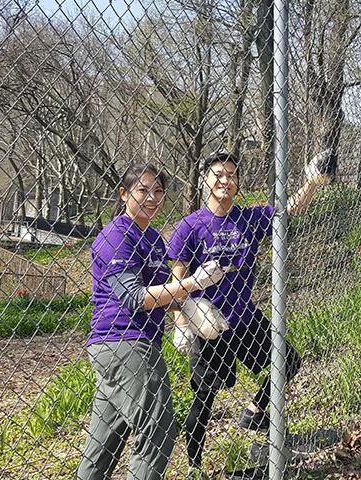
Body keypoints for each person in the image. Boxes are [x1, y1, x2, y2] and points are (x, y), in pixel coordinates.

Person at [167, 151, 333, 469]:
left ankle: (254, 412)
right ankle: (194, 466)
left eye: (231, 175)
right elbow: (177, 275)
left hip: (244, 317)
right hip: (208, 323)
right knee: (204, 397)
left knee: (287, 360)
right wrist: (180, 322)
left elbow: (291, 209)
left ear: (237, 182)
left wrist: (312, 180)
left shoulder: (250, 219)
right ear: (205, 179)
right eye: (218, 174)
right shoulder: (190, 226)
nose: (225, 180)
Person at [78, 164, 228, 479]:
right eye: (143, 190)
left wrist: (190, 308)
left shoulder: (153, 240)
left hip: (135, 343)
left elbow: (163, 294)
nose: (152, 198)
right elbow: (134, 297)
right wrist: (193, 284)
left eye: (158, 191)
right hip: (123, 341)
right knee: (158, 430)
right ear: (124, 193)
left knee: (103, 443)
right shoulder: (116, 236)